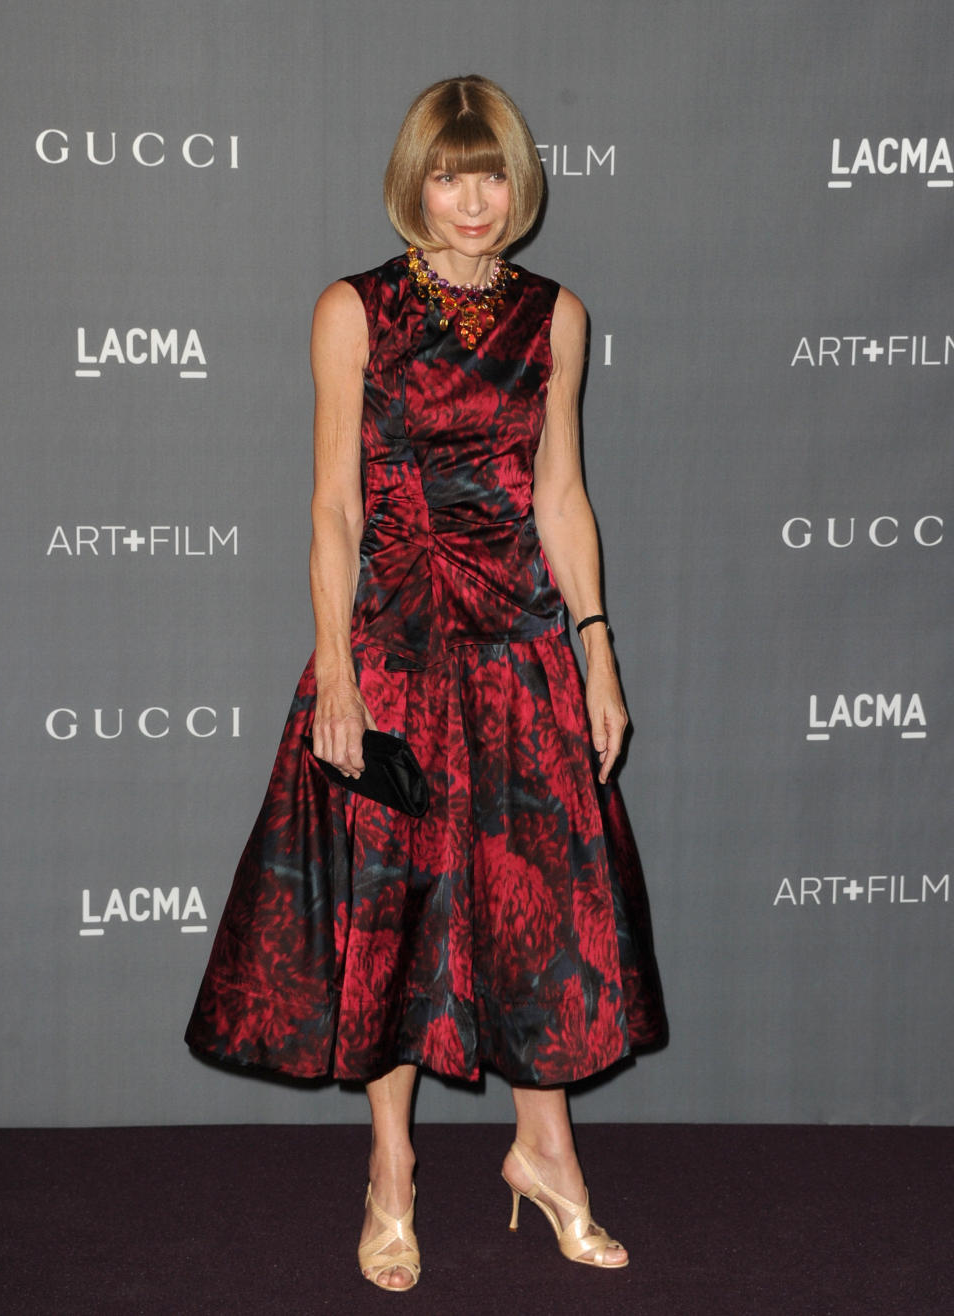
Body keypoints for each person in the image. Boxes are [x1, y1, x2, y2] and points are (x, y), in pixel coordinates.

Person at [185, 73, 665, 1291]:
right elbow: (333, 504)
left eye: (493, 171)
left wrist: (597, 647)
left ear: (520, 184)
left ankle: (545, 1152)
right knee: (391, 913)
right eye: (451, 173)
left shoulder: (558, 317)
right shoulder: (354, 309)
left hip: (519, 649)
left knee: (540, 902)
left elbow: (560, 496)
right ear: (416, 180)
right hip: (394, 648)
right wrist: (337, 669)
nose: (474, 197)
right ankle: (391, 1173)